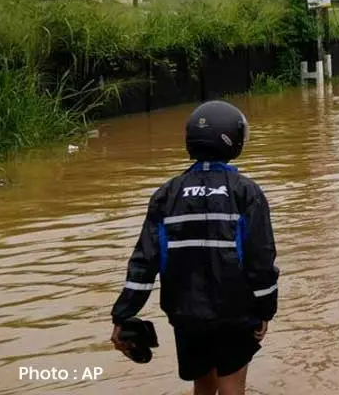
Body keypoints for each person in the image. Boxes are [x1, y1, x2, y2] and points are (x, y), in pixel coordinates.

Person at [109, 100, 278, 395]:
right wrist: (266, 309)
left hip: (186, 314)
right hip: (234, 313)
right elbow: (260, 259)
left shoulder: (166, 194)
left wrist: (122, 315)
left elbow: (144, 262)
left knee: (203, 384)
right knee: (232, 386)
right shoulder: (245, 191)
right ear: (232, 140)